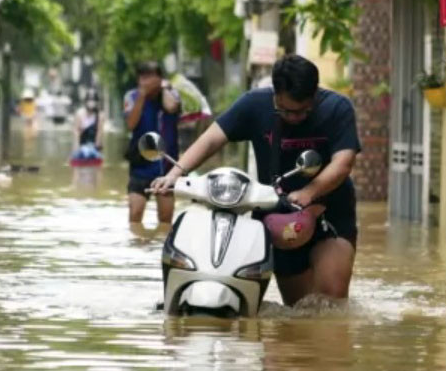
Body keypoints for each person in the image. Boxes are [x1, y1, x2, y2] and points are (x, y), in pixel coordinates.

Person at [151, 54, 361, 306]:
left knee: (330, 299)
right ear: (275, 93)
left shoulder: (337, 108)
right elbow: (212, 139)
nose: (294, 117)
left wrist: (308, 192)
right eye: (285, 110)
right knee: (299, 309)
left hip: (329, 210)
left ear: (314, 93)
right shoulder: (254, 104)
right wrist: (175, 174)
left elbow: (343, 162)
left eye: (303, 111)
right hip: (277, 215)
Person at [125, 61, 181, 224]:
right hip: (140, 165)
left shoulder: (171, 94)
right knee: (135, 214)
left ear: (159, 78)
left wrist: (163, 89)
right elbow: (131, 124)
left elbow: (172, 107)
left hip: (166, 166)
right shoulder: (132, 96)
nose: (145, 82)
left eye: (150, 77)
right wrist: (142, 96)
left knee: (165, 218)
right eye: (142, 77)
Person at [72, 89, 104, 161]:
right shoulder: (79, 114)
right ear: (86, 101)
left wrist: (98, 149)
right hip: (81, 146)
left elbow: (99, 134)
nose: (91, 102)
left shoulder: (100, 115)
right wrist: (76, 148)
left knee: (93, 154)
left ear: (97, 102)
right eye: (89, 100)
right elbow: (76, 132)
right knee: (81, 153)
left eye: (93, 100)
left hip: (93, 146)